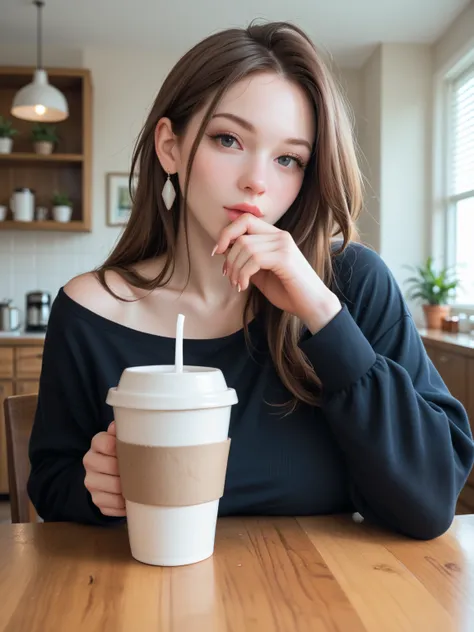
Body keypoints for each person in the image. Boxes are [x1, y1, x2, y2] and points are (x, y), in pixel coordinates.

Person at [27, 21, 474, 540]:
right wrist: (94, 488)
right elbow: (53, 486)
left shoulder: (352, 284)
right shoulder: (89, 309)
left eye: (288, 159)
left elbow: (431, 501)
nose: (257, 181)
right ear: (170, 146)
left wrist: (323, 314)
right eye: (228, 139)